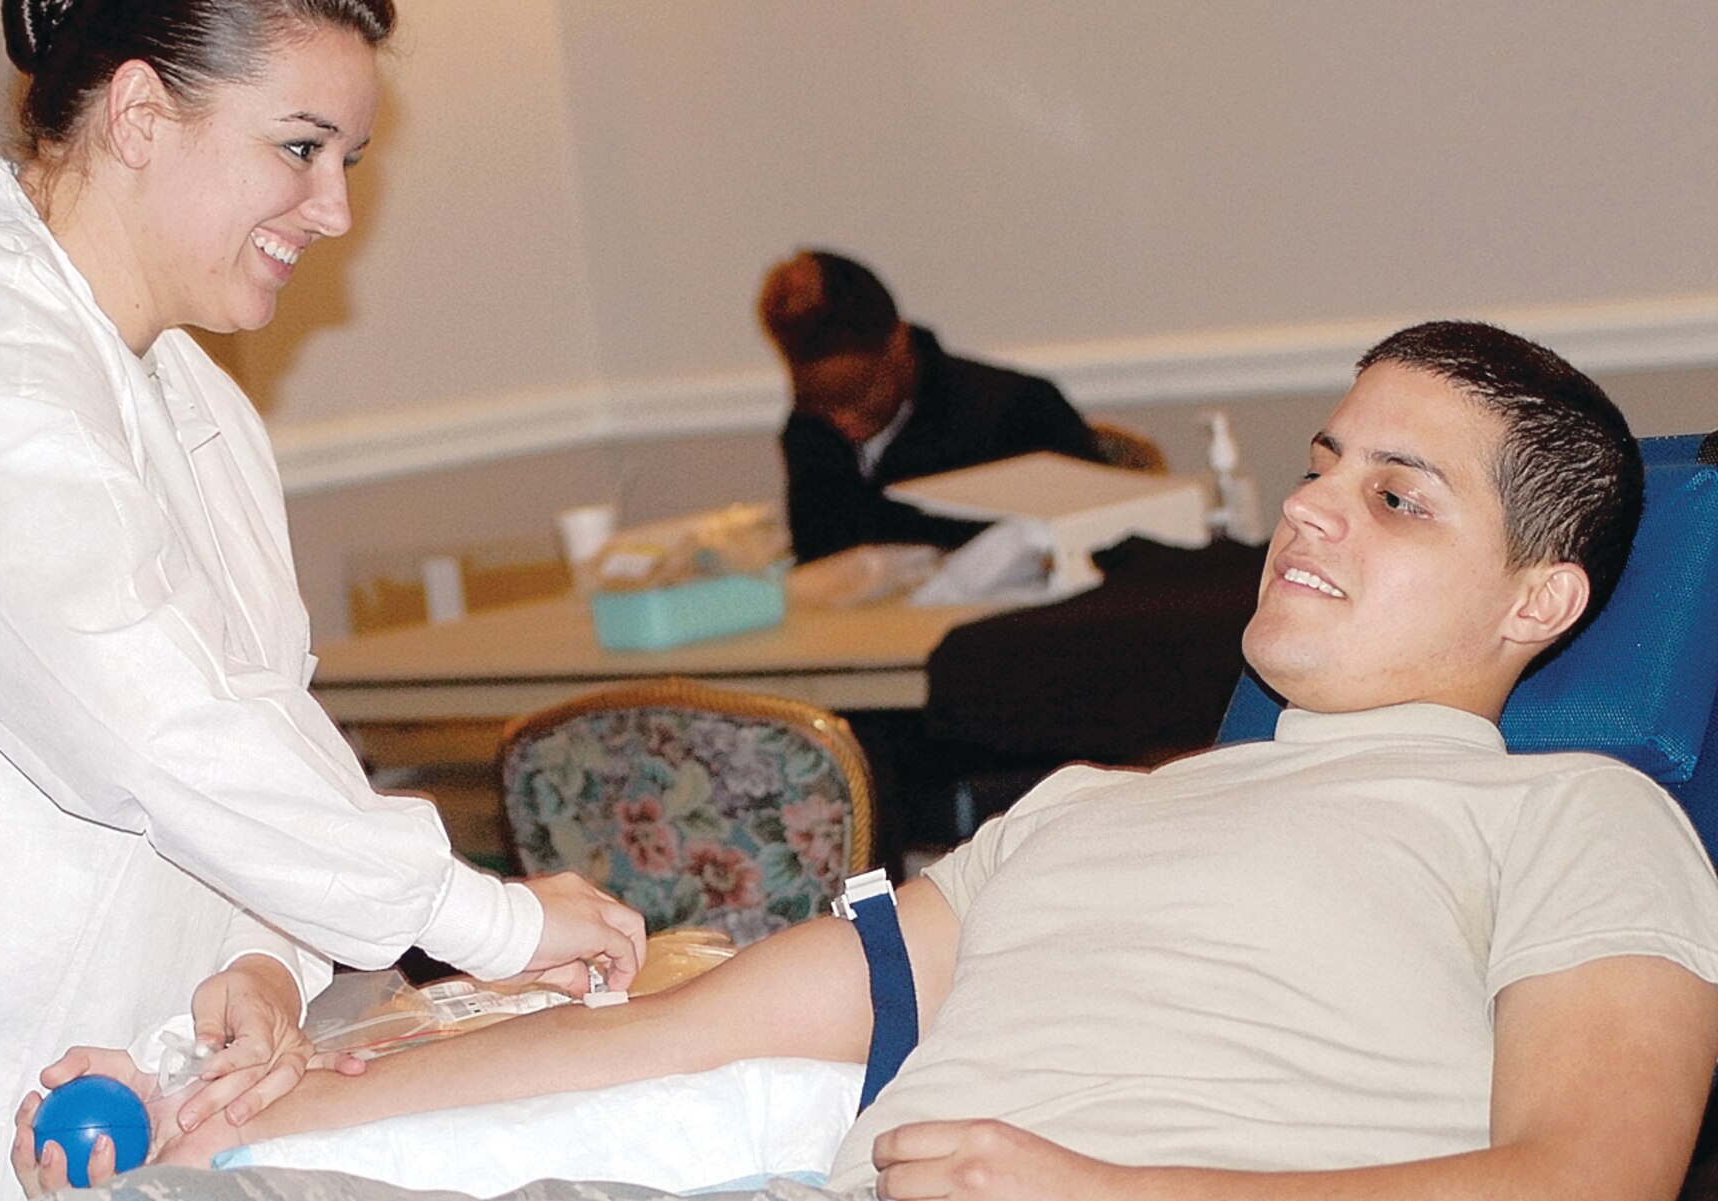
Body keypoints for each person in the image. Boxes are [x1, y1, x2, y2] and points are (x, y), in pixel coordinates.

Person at [134, 320, 1718, 1200]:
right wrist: (258, 1121)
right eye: (1320, 468)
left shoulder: (1581, 817)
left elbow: (1591, 1176)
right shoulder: (1083, 809)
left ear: (1540, 599)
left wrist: (1111, 1197)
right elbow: (678, 1036)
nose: (1308, 508)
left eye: (1397, 496)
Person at [0, 2, 645, 1197]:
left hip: (88, 1103)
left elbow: (264, 735)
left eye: (346, 162)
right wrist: (488, 924)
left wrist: (258, 959)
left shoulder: (201, 406)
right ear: (141, 113)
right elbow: (146, 727)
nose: (333, 211)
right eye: (300, 149)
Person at [761, 249, 1105, 564]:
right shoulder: (810, 433)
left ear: (899, 344)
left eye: (864, 395)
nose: (844, 420)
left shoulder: (1018, 410)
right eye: (821, 403)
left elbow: (1100, 543)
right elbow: (817, 554)